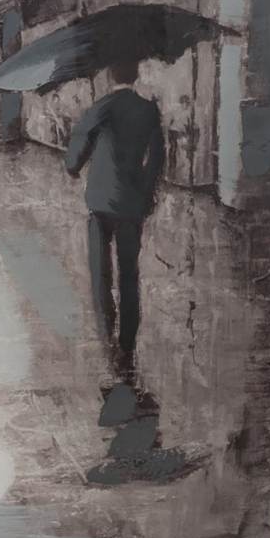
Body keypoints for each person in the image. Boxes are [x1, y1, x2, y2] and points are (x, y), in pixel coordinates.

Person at [65, 58, 165, 375]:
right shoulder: (148, 110)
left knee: (101, 273)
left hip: (100, 203)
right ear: (135, 76)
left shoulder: (102, 106)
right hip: (131, 204)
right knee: (129, 274)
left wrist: (73, 165)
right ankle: (127, 345)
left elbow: (81, 137)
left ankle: (106, 335)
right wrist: (146, 194)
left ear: (110, 75)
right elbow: (157, 158)